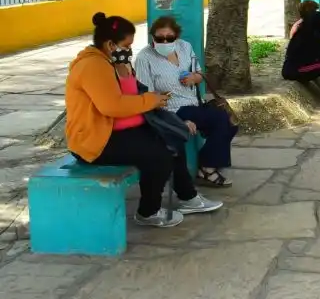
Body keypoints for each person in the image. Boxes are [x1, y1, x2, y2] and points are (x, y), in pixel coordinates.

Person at [65, 12, 222, 228]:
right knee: (159, 154)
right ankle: (148, 211)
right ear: (111, 44)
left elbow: (130, 94)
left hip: (115, 129)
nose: (129, 50)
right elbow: (113, 106)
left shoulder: (109, 62)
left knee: (171, 138)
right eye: (126, 45)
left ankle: (188, 198)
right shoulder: (93, 66)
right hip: (94, 140)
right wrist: (150, 100)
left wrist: (124, 71)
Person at [135, 16, 238, 188]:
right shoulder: (145, 58)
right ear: (153, 37)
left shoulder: (185, 47)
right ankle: (207, 168)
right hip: (172, 109)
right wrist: (177, 121)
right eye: (160, 38)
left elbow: (199, 73)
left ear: (176, 36)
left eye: (170, 37)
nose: (165, 41)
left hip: (194, 103)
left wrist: (194, 78)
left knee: (231, 121)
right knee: (220, 119)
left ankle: (209, 162)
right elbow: (148, 97)